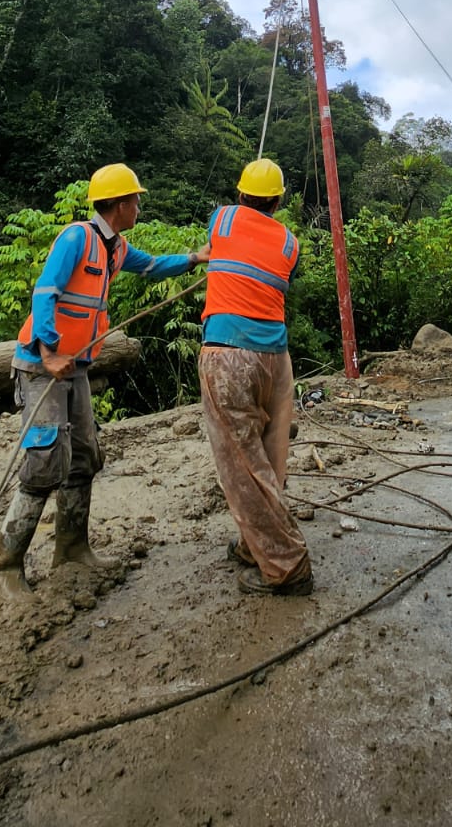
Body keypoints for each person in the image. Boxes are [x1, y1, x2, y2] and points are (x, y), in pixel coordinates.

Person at [0, 164, 208, 600]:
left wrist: (195, 259)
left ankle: (71, 549)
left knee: (84, 455)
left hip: (76, 367)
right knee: (45, 461)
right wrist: (49, 350)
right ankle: (2, 566)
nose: (139, 206)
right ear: (120, 204)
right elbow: (45, 291)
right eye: (136, 200)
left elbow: (153, 266)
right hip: (41, 367)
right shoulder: (77, 238)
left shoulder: (116, 248)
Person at [197, 157, 314, 596]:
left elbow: (216, 245)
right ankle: (254, 544)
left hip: (229, 355)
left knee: (242, 465)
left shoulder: (222, 219)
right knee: (270, 455)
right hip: (276, 360)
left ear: (240, 193)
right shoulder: (290, 243)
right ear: (278, 201)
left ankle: (287, 565)